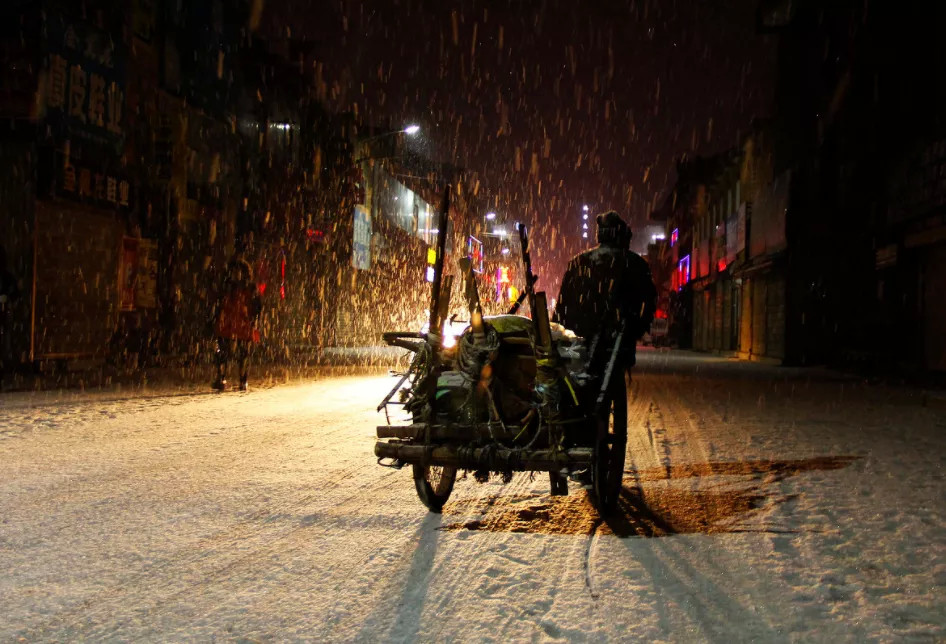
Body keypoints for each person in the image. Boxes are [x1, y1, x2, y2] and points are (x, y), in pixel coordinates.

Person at [553, 210, 657, 368]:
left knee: (580, 385)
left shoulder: (579, 262)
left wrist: (562, 333)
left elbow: (563, 306)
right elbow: (649, 302)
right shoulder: (635, 263)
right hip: (617, 343)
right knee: (613, 386)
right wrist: (635, 329)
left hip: (581, 342)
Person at [211, 258, 262, 391]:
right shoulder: (231, 287)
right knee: (227, 353)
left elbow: (256, 306)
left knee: (237, 354)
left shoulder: (240, 288)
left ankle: (237, 379)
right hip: (230, 325)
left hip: (237, 325)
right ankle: (228, 378)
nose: (237, 275)